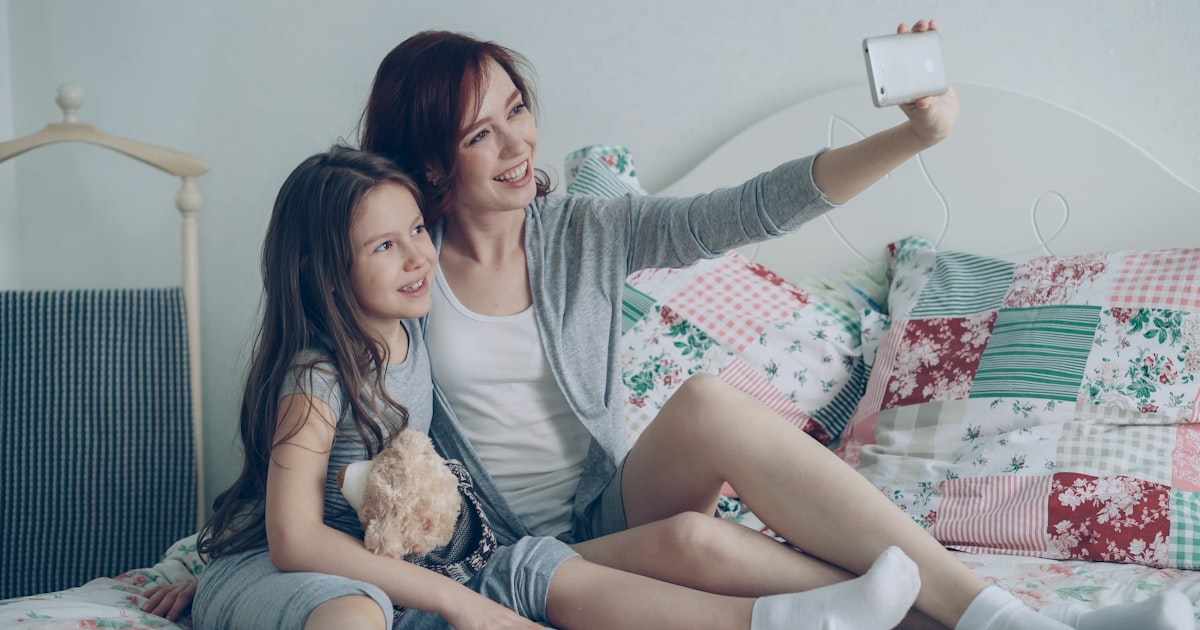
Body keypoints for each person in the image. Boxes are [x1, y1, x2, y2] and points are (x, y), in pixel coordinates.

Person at [356, 20, 1195, 630]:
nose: (516, 143)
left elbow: (748, 210)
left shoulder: (580, 231)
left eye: (517, 109)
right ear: (433, 160)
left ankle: (1001, 614)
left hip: (604, 512)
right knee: (699, 542)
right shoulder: (397, 268)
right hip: (506, 555)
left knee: (709, 404)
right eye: (480, 133)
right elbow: (333, 411)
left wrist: (912, 135)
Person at [173, 146, 926, 630]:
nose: (416, 258)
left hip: (440, 557)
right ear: (324, 269)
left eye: (414, 233)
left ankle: (786, 621)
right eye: (383, 245)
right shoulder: (317, 375)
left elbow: (726, 215)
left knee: (539, 568)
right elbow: (290, 529)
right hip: (313, 571)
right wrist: (207, 570)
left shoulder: (411, 334)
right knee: (355, 616)